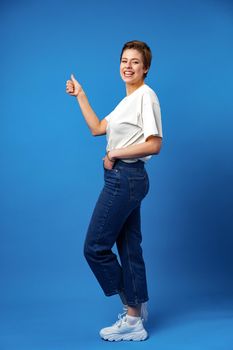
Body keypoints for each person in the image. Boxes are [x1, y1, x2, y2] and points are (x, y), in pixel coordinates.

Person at [66, 40, 163, 341]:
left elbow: (154, 144)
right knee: (130, 249)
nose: (128, 66)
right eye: (124, 60)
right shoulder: (126, 101)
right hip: (124, 178)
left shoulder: (146, 96)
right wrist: (81, 95)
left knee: (94, 248)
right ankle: (137, 317)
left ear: (145, 68)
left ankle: (133, 310)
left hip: (126, 178)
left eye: (135, 61)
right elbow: (97, 128)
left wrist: (117, 153)